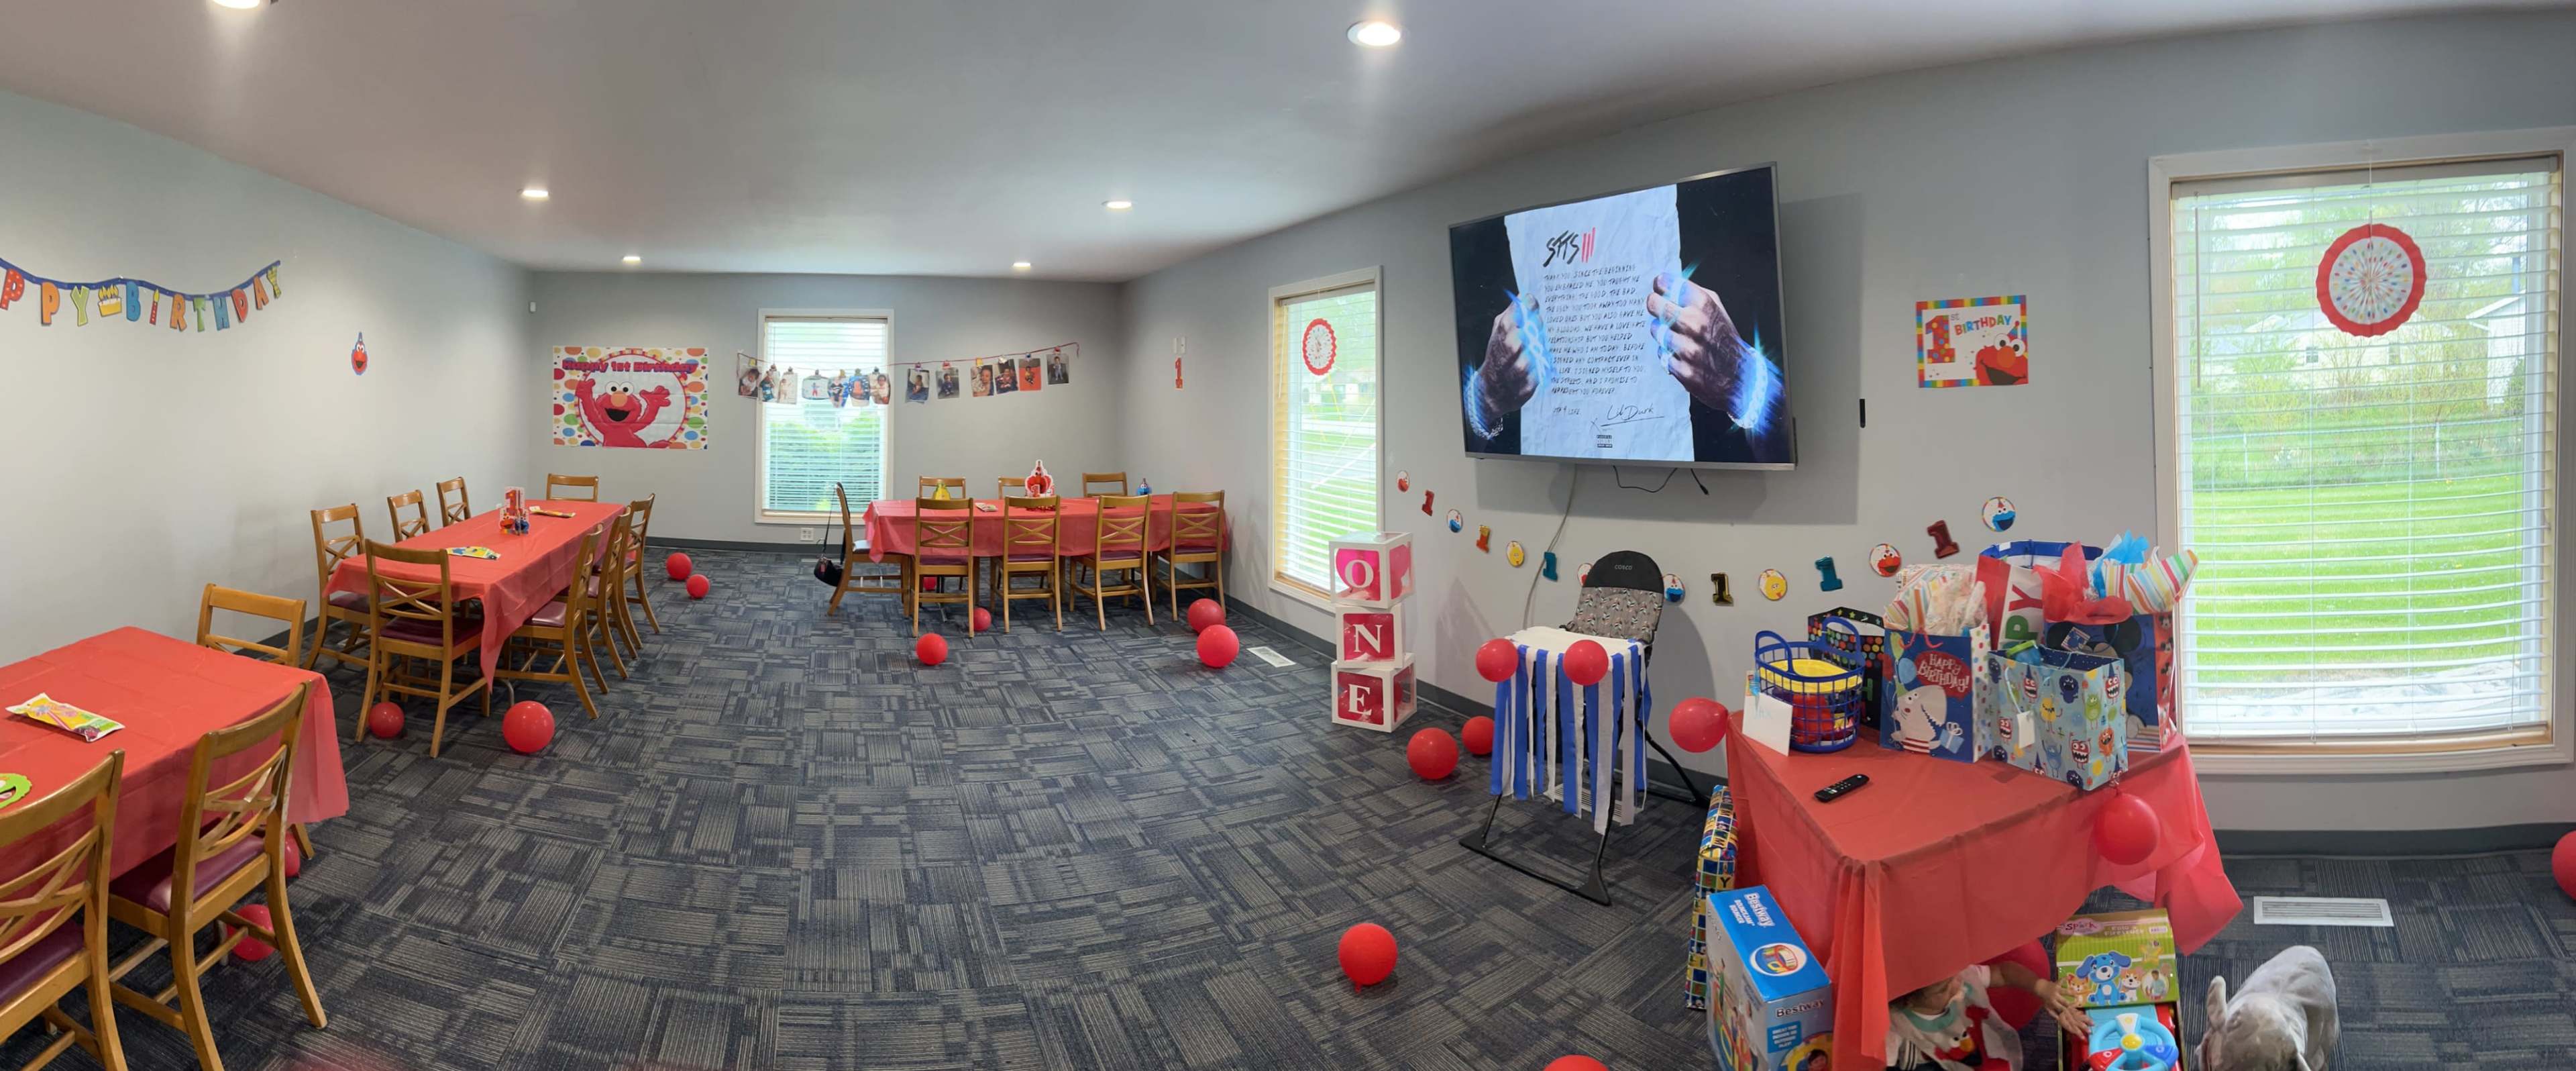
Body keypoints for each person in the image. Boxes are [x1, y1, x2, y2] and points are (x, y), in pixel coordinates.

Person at [1464, 272, 1788, 462]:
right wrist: (1484, 397)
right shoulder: (1494, 281)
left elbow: (1793, 447)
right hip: (1543, 484)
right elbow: (1456, 448)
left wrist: (1745, 380)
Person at [1886, 960, 2090, 1071]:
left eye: (1954, 976)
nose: (1957, 983)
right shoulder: (1895, 1026)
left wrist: (2042, 987)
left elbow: (2003, 972)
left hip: (1993, 1054)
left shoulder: (1958, 975)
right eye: (1943, 989)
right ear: (1907, 1000)